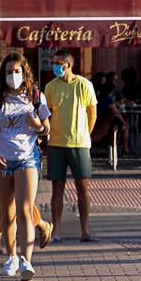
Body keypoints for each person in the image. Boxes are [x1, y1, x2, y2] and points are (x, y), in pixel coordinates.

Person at [0, 53, 51, 280]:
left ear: (25, 73)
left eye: (17, 71)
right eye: (8, 72)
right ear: (3, 74)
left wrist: (37, 126)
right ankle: (11, 256)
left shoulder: (35, 96)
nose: (13, 75)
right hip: (1, 161)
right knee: (8, 212)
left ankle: (27, 260)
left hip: (27, 158)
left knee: (25, 209)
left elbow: (46, 128)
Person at [44, 50, 98, 244]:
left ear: (69, 65)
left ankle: (85, 230)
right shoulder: (50, 87)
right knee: (56, 188)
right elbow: (46, 114)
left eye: (59, 63)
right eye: (54, 63)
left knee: (83, 188)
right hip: (56, 143)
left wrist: (85, 134)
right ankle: (56, 230)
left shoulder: (84, 85)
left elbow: (92, 114)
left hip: (80, 144)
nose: (55, 66)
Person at [90, 82, 131, 155]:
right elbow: (116, 112)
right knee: (125, 127)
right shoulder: (108, 99)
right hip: (108, 126)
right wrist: (124, 122)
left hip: (96, 126)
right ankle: (125, 148)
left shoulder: (96, 99)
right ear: (111, 91)